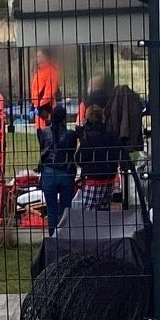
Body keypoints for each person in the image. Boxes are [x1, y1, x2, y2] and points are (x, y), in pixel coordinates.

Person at [37, 104, 78, 236]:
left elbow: (43, 150)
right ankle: (65, 235)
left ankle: (53, 237)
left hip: (49, 173)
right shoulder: (71, 135)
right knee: (66, 208)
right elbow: (72, 153)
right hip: (66, 173)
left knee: (51, 209)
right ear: (64, 118)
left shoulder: (43, 132)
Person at [74, 104, 124, 211]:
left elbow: (79, 159)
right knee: (104, 212)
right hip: (109, 179)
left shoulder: (89, 137)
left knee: (90, 213)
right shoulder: (110, 135)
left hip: (93, 179)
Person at [31, 48, 60, 139]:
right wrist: (33, 106)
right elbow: (35, 92)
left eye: (39, 56)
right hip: (39, 111)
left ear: (45, 57)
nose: (37, 58)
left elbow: (49, 92)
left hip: (47, 110)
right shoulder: (38, 72)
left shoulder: (50, 71)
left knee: (49, 139)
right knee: (42, 137)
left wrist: (39, 106)